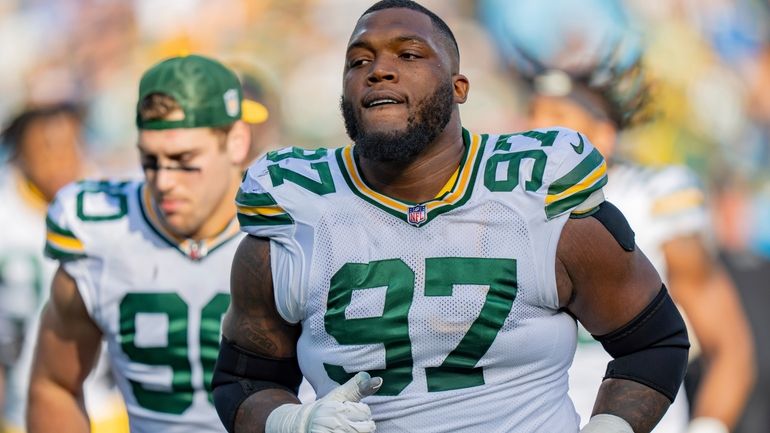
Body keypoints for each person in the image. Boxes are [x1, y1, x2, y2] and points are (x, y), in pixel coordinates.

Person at [211, 1, 691, 432]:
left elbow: (654, 344)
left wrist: (610, 427)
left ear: (459, 87)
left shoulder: (536, 199)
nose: (379, 70)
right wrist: (291, 422)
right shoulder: (297, 215)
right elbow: (244, 380)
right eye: (359, 61)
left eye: (410, 55)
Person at [479, 0, 756, 430]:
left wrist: (707, 427)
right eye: (532, 117)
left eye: (556, 120)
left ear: (603, 135)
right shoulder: (499, 206)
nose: (536, 134)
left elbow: (730, 347)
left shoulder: (653, 197)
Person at [26, 54, 257, 433]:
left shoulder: (293, 222)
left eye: (184, 159)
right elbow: (55, 385)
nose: (164, 180)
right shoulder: (100, 230)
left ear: (236, 142)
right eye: (150, 160)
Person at [0, 103, 127, 433]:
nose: (60, 160)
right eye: (45, 147)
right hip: (21, 408)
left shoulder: (112, 204)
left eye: (69, 146)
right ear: (20, 154)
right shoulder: (6, 215)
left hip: (107, 405)